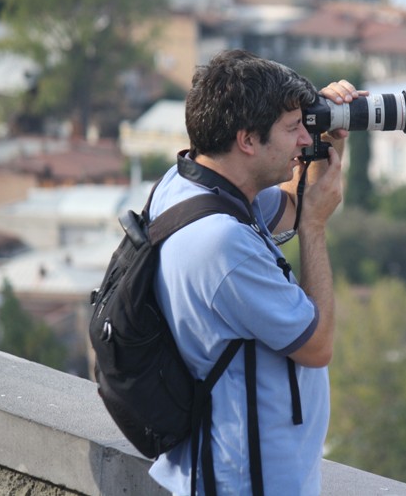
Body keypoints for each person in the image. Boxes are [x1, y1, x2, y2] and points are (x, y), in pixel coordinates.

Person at [147, 49, 364, 496]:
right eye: (292, 130)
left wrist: (326, 138)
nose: (303, 140)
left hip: (229, 466)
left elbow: (289, 205)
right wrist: (315, 229)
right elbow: (317, 344)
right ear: (248, 140)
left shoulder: (191, 184)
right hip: (247, 480)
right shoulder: (222, 243)